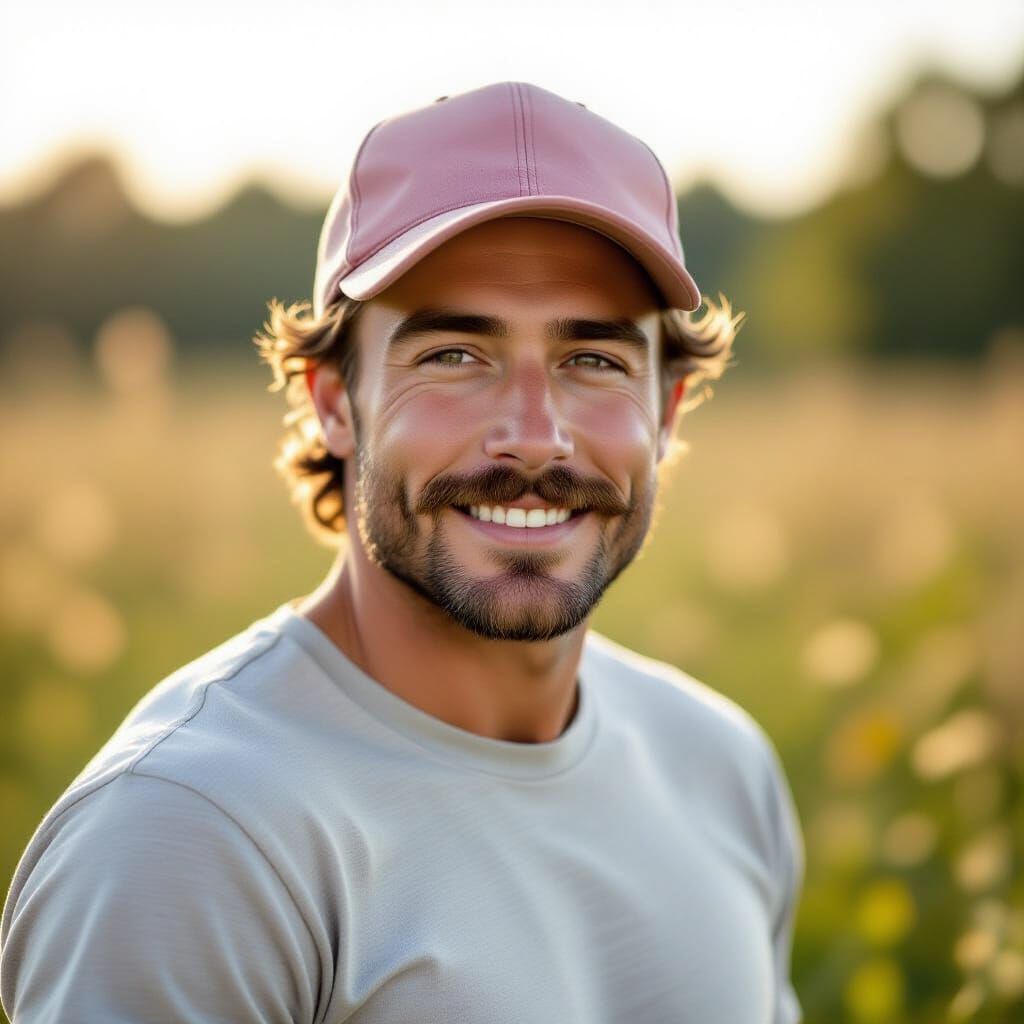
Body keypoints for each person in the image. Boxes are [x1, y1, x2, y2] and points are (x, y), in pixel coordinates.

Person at [0, 81, 804, 1022]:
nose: (537, 438)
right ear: (336, 401)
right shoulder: (188, 839)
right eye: (455, 355)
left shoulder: (719, 767)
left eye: (596, 360)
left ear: (665, 411)